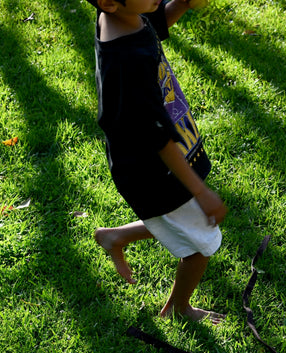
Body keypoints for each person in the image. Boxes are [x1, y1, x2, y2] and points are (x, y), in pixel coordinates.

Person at [88, 0, 228, 323]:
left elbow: (157, 21)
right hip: (153, 169)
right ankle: (180, 307)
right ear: (109, 3)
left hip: (151, 157)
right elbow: (158, 140)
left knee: (178, 220)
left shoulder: (123, 12)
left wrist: (183, 3)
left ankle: (115, 236)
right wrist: (201, 191)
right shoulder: (126, 62)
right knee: (200, 246)